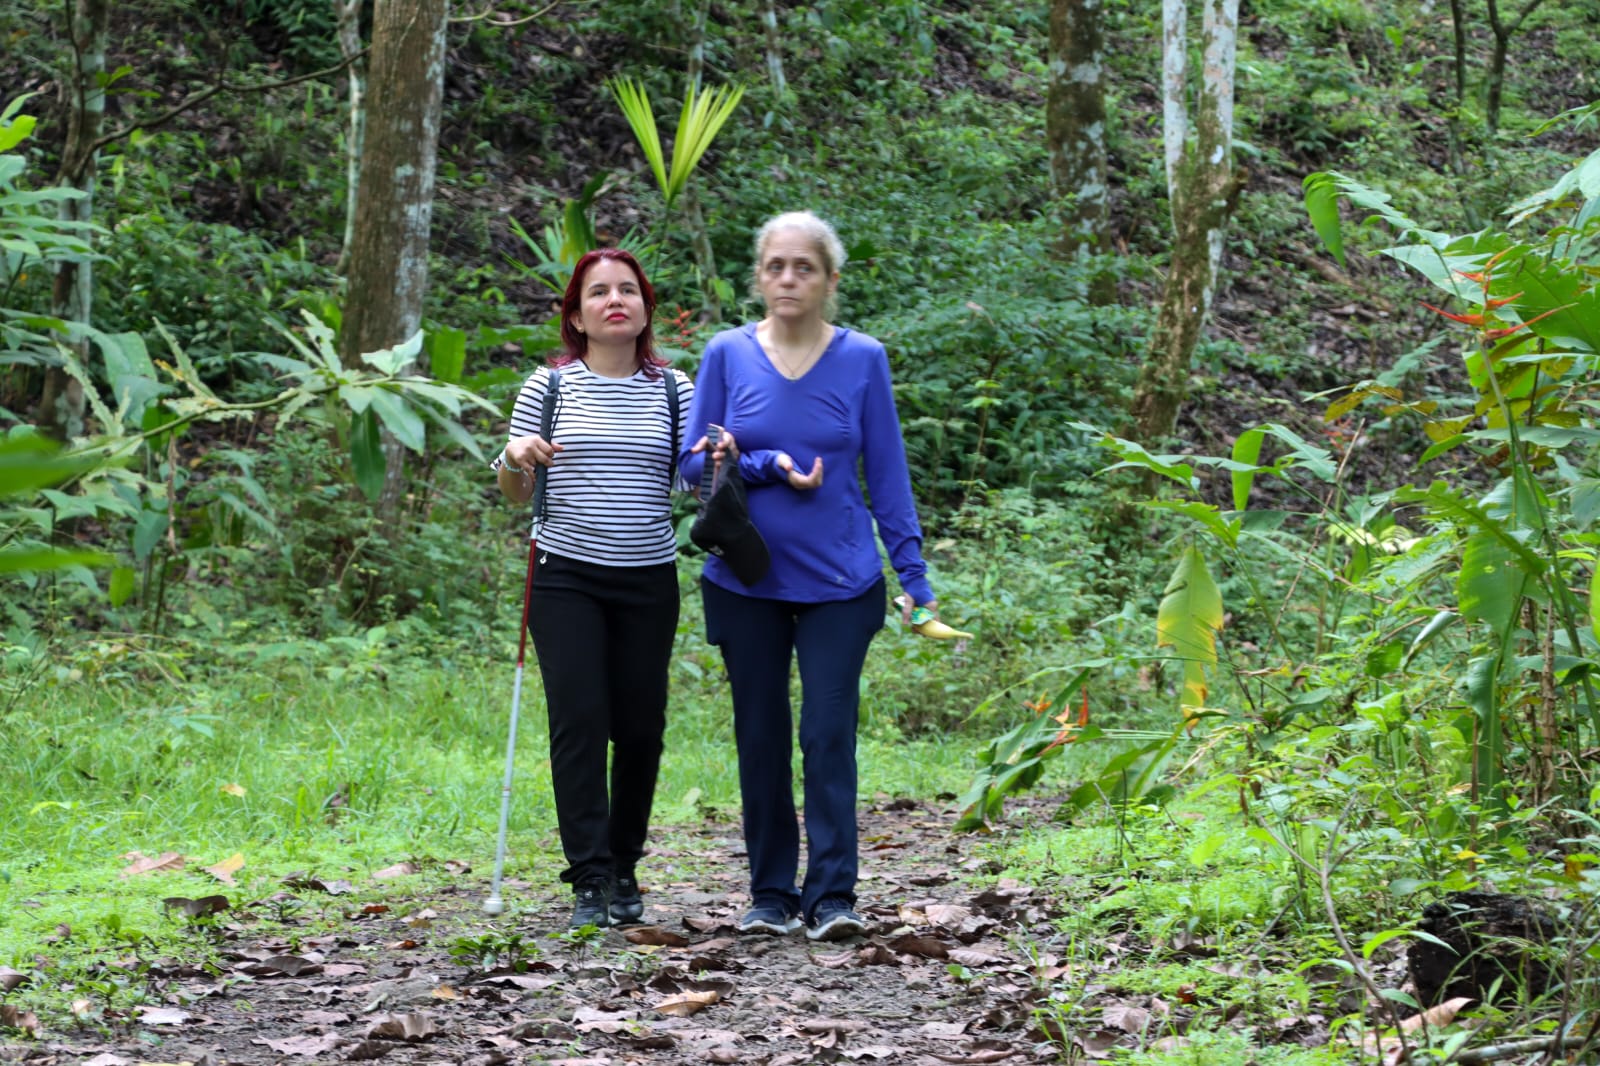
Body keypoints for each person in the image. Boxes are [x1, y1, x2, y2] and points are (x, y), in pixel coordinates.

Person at [679, 211, 939, 942]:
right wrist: (761, 463)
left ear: (830, 279)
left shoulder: (863, 359)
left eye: (804, 267)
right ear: (759, 277)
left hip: (842, 581)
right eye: (776, 266)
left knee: (828, 734)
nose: (788, 279)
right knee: (760, 735)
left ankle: (831, 896)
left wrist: (913, 575)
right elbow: (692, 465)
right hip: (746, 580)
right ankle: (770, 894)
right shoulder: (727, 353)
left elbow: (888, 473)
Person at [493, 249, 693, 929]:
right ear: (577, 315)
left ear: (645, 308)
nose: (615, 300)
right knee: (580, 723)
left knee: (640, 729)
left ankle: (625, 866)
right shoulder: (548, 387)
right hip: (565, 576)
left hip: (648, 577)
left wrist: (720, 451)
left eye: (628, 290)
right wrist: (514, 457)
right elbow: (516, 489)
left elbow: (694, 481)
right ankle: (589, 877)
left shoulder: (675, 389)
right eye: (599, 292)